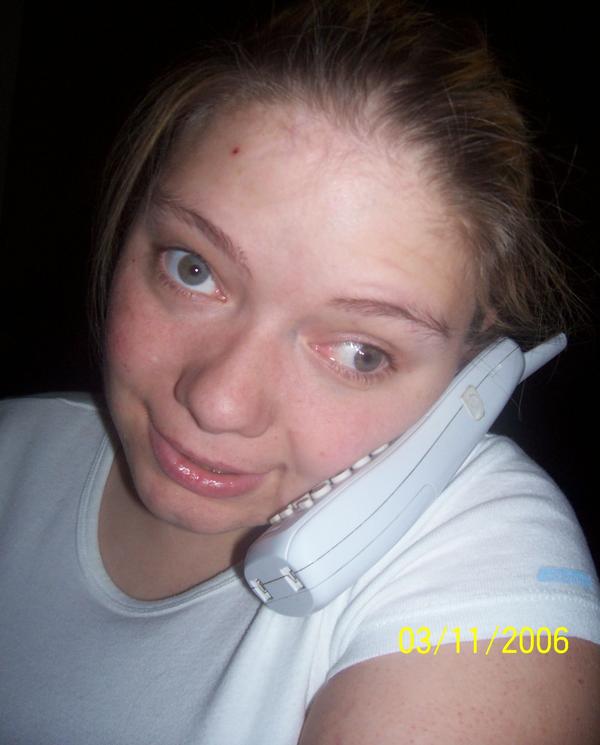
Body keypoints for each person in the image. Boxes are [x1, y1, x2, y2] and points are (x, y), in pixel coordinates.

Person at [1, 1, 599, 742]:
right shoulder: (13, 448)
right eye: (193, 269)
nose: (218, 402)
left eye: (359, 353)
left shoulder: (484, 555)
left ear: (472, 371)